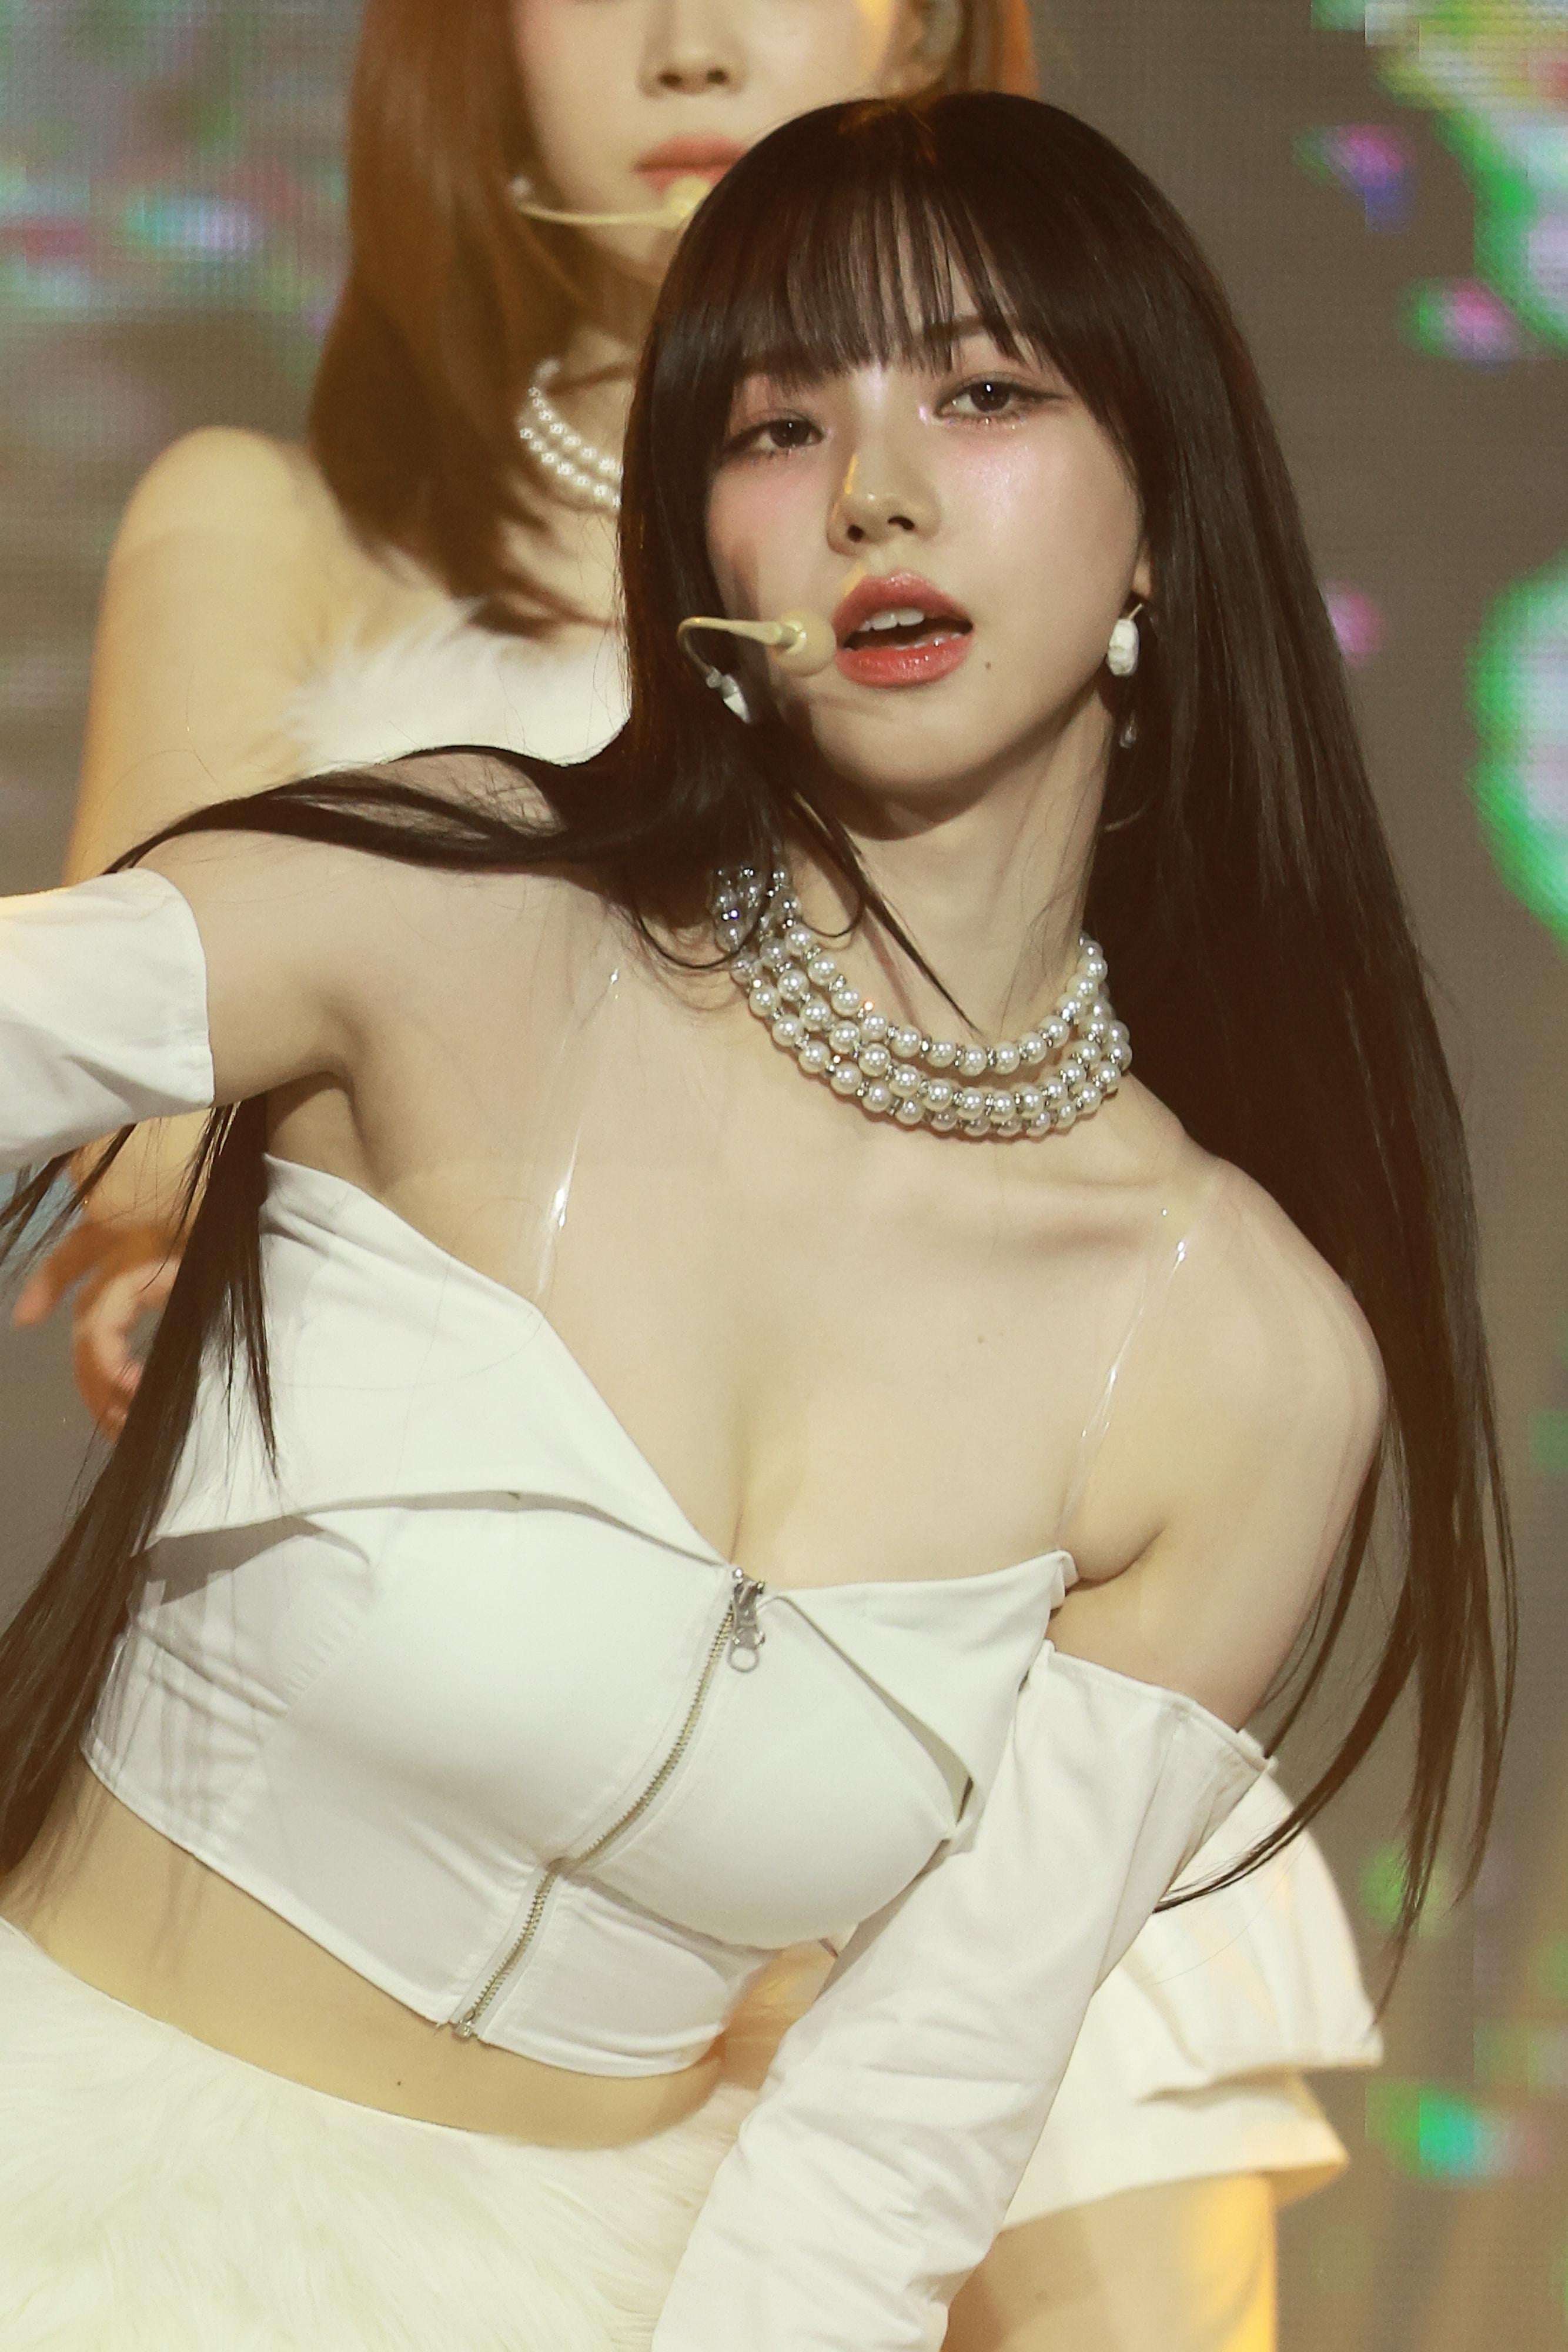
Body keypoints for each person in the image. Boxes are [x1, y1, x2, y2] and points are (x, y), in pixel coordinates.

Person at [0, 93, 1512, 2348]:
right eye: (780, 425)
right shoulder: (446, 914)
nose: (876, 490)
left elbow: (894, 2142)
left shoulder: (1240, 1360)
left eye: (982, 393)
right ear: (700, 540)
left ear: (1159, 528)